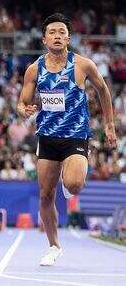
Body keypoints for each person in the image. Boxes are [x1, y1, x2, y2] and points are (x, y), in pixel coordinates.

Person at [17, 13, 117, 266]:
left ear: (69, 38)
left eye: (62, 32)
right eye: (52, 32)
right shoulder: (34, 69)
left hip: (75, 136)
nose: (58, 36)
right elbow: (22, 101)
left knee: (73, 185)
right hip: (47, 136)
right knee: (45, 195)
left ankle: (69, 178)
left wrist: (109, 125)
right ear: (44, 39)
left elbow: (103, 91)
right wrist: (23, 109)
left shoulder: (83, 65)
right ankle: (53, 246)